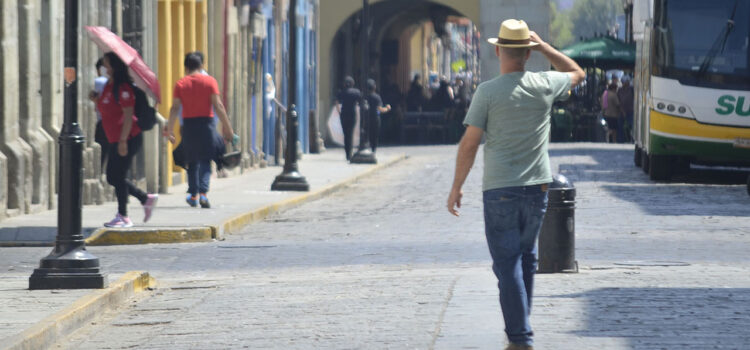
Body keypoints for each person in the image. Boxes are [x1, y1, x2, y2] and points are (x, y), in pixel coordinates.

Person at [446, 19, 584, 350]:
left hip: (500, 190)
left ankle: (520, 339)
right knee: (525, 262)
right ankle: (517, 335)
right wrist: (544, 48)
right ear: (527, 53)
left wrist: (456, 187)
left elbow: (469, 144)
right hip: (538, 188)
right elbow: (578, 72)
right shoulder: (544, 83)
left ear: (497, 50)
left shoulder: (488, 92)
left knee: (508, 265)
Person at [97, 52, 159, 228]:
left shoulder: (123, 88)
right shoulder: (110, 85)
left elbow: (128, 114)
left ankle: (124, 216)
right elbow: (109, 109)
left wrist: (123, 141)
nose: (104, 67)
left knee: (115, 176)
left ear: (115, 67)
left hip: (127, 138)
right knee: (113, 177)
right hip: (115, 138)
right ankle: (144, 198)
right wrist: (96, 100)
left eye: (107, 64)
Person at [165, 53, 234, 208]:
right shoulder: (210, 82)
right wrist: (228, 129)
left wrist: (170, 130)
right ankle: (203, 194)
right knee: (206, 159)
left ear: (186, 67)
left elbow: (175, 108)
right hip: (207, 125)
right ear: (202, 65)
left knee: (192, 160)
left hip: (189, 126)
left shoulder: (181, 84)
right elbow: (218, 106)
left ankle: (193, 194)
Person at [335, 76, 361, 161]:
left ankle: (347, 153)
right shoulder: (356, 92)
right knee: (350, 133)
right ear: (353, 84)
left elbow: (337, 103)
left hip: (344, 114)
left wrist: (339, 112)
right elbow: (360, 102)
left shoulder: (341, 92)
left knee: (346, 134)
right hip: (352, 114)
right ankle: (350, 152)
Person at [90, 58, 109, 167]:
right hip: (111, 123)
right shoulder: (110, 83)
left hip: (102, 122)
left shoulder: (99, 81)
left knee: (102, 150)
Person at [364, 79, 391, 153]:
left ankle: (368, 147)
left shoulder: (365, 97)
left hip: (366, 118)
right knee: (375, 135)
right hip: (375, 118)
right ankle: (373, 150)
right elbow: (380, 109)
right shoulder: (376, 97)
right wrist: (387, 108)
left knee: (368, 134)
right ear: (374, 87)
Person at [618, 75, 635, 142]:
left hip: (631, 111)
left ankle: (632, 140)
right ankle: (621, 140)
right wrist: (622, 110)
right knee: (620, 127)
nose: (624, 83)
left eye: (625, 81)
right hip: (622, 111)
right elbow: (618, 101)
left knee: (631, 126)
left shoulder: (632, 89)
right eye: (623, 82)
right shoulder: (619, 90)